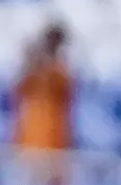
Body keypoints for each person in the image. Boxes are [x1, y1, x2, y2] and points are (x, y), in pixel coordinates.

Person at [11, 22, 75, 154]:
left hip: (54, 133)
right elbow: (18, 89)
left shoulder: (61, 69)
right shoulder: (33, 68)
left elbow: (65, 91)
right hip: (31, 130)